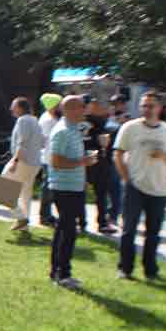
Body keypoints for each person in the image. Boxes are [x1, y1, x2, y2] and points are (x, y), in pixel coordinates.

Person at [114, 91, 166, 280]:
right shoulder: (130, 127)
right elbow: (118, 154)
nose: (147, 109)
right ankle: (125, 268)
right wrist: (126, 179)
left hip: (159, 188)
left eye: (151, 105)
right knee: (129, 230)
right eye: (144, 105)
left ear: (160, 108)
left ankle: (150, 269)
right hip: (134, 186)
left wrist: (163, 157)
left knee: (153, 232)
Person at [48, 95, 99, 290]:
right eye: (80, 107)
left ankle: (57, 271)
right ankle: (62, 273)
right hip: (64, 187)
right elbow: (56, 161)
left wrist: (83, 175)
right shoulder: (61, 131)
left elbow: (71, 158)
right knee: (67, 231)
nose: (84, 111)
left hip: (73, 186)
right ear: (69, 110)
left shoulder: (73, 129)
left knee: (64, 229)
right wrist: (83, 163)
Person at [3, 96, 44, 231]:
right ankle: (24, 226)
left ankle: (20, 218)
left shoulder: (23, 120)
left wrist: (15, 161)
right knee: (25, 193)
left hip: (23, 161)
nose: (11, 109)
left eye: (13, 106)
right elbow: (43, 142)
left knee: (2, 190)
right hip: (35, 163)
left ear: (20, 108)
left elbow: (22, 143)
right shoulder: (35, 120)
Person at [84, 97, 118, 234]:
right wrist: (95, 140)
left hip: (103, 162)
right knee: (81, 192)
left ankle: (103, 222)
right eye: (96, 105)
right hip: (86, 160)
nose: (102, 108)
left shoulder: (108, 122)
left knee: (102, 193)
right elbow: (82, 139)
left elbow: (112, 140)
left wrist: (107, 144)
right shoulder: (84, 121)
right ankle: (81, 221)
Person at [38, 93, 63, 226]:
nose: (61, 107)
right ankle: (45, 216)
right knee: (48, 189)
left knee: (49, 188)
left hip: (51, 158)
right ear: (53, 106)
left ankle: (47, 214)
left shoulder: (52, 118)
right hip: (50, 158)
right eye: (59, 104)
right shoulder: (49, 121)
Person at [106, 94, 130, 226]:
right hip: (110, 156)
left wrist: (122, 123)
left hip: (123, 157)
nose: (116, 106)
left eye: (120, 104)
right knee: (113, 188)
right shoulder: (109, 119)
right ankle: (112, 214)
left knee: (119, 188)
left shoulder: (127, 120)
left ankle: (117, 215)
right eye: (114, 104)